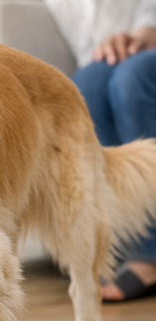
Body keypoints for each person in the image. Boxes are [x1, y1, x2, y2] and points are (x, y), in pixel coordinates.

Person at [45, 0, 156, 301]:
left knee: (132, 80)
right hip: (103, 54)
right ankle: (118, 243)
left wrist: (144, 32)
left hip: (147, 40)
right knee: (83, 89)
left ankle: (148, 254)